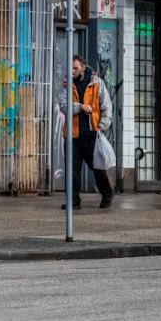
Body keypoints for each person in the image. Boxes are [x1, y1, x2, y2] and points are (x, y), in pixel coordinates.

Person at [58, 55, 114, 209]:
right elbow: (63, 106)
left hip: (91, 134)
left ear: (83, 67)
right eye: (71, 68)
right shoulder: (67, 84)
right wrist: (80, 106)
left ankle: (107, 193)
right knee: (72, 170)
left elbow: (106, 106)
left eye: (76, 68)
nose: (73, 71)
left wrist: (102, 125)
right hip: (72, 135)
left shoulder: (97, 83)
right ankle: (74, 201)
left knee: (97, 167)